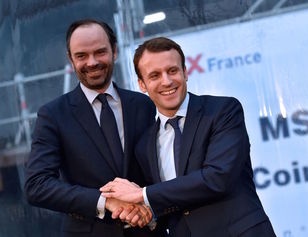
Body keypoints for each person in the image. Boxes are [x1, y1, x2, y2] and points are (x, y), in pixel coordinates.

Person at [101, 37, 277, 237]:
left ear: (185, 72)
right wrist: (148, 215)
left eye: (172, 71)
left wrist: (142, 194)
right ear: (142, 84)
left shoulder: (223, 111)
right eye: (155, 75)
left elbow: (217, 178)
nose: (166, 81)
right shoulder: (144, 144)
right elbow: (169, 203)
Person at [24, 19, 163, 237]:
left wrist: (150, 207)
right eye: (82, 56)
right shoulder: (53, 115)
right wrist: (106, 201)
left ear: (114, 51)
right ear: (71, 59)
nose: (92, 62)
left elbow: (158, 171)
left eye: (100, 52)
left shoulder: (143, 105)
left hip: (147, 231)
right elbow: (37, 186)